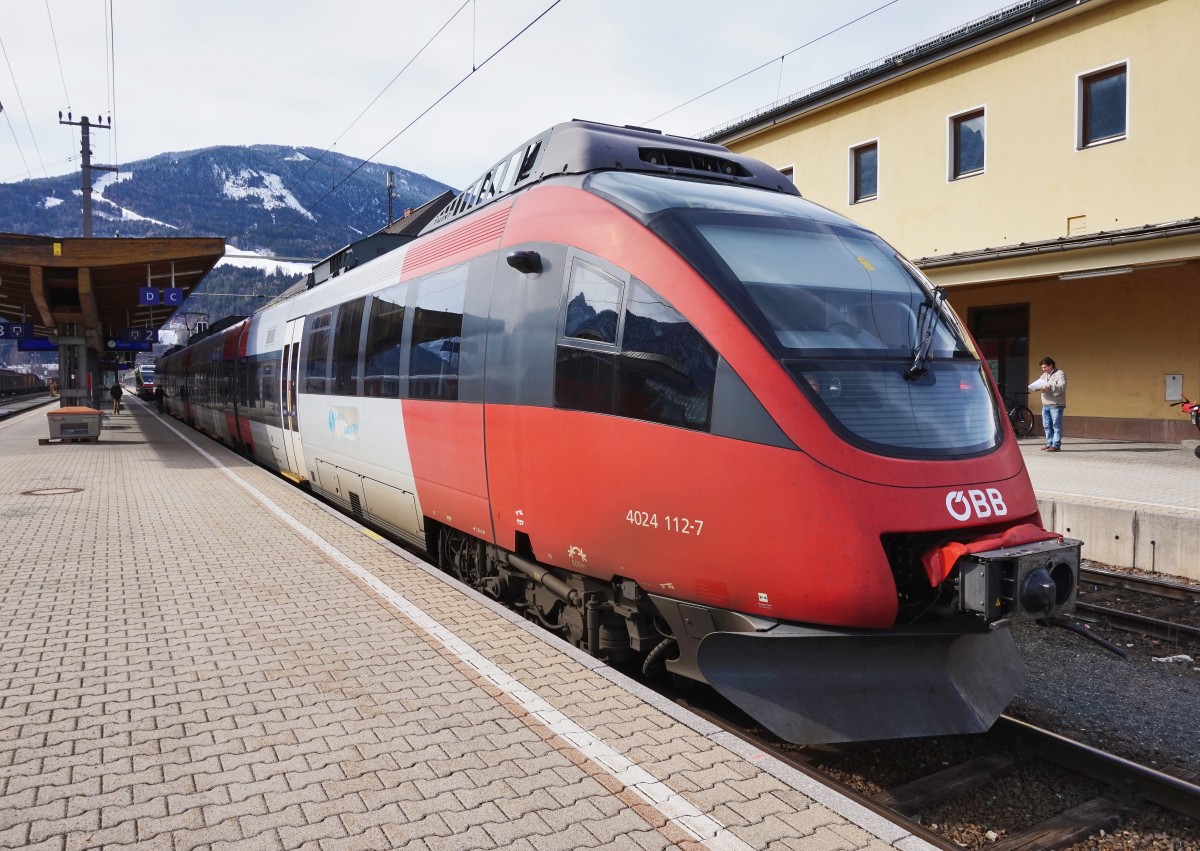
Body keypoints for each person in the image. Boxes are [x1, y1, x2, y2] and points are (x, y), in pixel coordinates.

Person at [1036, 356, 1067, 451]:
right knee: (1047, 425)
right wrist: (1036, 387)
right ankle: (1049, 443)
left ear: (1051, 365)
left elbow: (1062, 386)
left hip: (1056, 404)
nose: (1043, 369)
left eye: (1045, 367)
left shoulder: (1060, 373)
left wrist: (1049, 387)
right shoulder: (1044, 375)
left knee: (1056, 426)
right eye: (1042, 367)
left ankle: (1056, 445)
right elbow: (1039, 384)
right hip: (1045, 404)